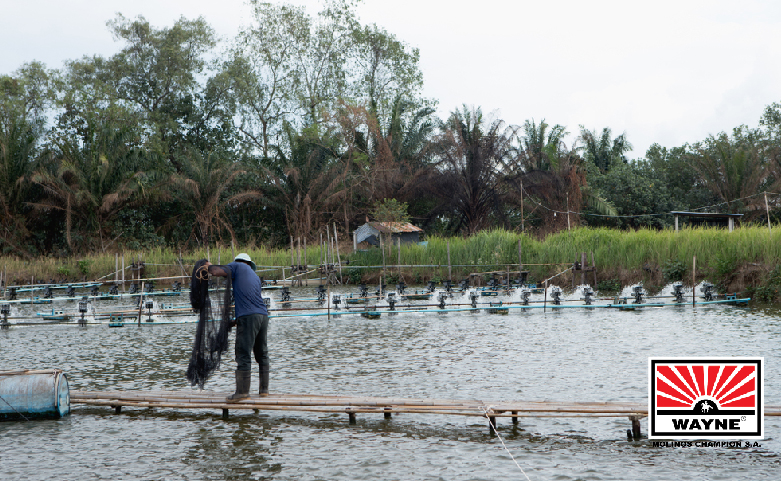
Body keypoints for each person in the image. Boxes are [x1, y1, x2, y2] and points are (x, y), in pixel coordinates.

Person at [206, 253, 270, 401]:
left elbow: (216, 271)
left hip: (250, 317)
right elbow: (250, 303)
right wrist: (235, 321)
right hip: (263, 316)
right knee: (262, 353)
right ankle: (264, 390)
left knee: (243, 352)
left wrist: (207, 266)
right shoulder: (254, 277)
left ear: (241, 262)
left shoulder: (237, 266)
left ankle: (242, 392)